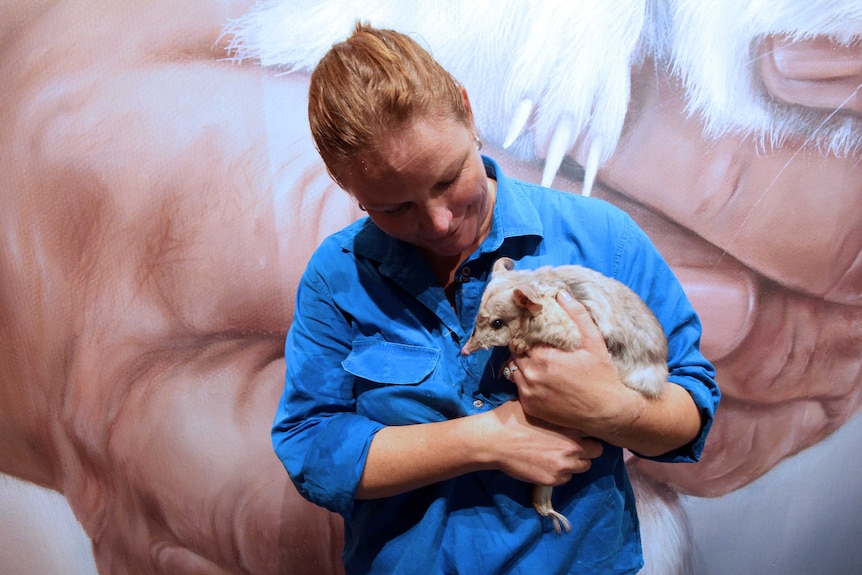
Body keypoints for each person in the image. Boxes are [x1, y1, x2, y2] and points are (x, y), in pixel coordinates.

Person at [274, 22, 719, 574]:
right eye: (394, 208)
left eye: (446, 179)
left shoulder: (604, 239)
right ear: (346, 184)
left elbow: (691, 408)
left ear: (467, 110)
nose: (437, 222)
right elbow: (310, 447)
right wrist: (484, 440)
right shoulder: (336, 278)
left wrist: (612, 407)